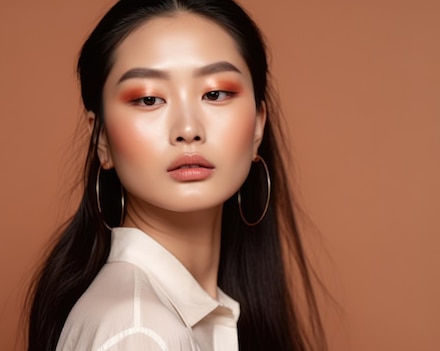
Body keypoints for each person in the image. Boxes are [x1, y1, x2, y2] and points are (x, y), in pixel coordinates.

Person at [26, 0, 327, 350]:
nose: (187, 129)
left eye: (214, 93)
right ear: (102, 139)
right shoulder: (142, 332)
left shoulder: (182, 315)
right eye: (150, 99)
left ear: (259, 124)